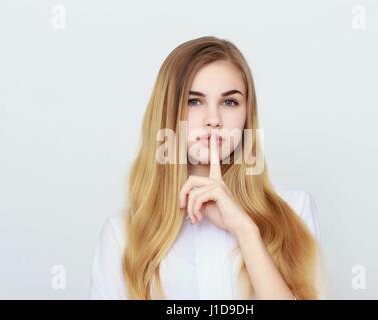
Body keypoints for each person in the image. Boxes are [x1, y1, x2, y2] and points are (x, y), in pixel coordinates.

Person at [89, 36, 325, 300]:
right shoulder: (121, 236)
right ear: (168, 111)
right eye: (194, 101)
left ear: (247, 115)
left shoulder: (294, 209)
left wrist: (244, 230)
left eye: (229, 102)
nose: (214, 119)